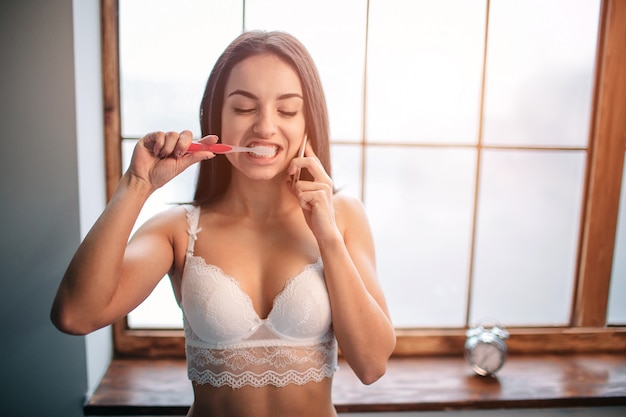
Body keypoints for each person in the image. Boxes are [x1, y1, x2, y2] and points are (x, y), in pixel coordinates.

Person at [51, 30, 396, 417]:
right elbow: (75, 315)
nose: (265, 127)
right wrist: (137, 184)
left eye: (286, 110)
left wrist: (327, 237)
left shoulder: (343, 215)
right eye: (244, 108)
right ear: (216, 118)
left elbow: (372, 365)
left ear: (308, 123)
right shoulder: (178, 231)